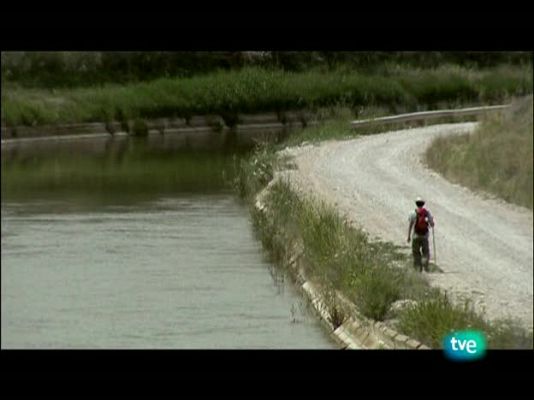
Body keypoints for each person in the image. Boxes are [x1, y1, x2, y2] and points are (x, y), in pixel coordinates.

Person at [407, 197, 435, 272]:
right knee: (425, 251)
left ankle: (417, 268)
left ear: (416, 204)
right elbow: (432, 224)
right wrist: (432, 223)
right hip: (425, 235)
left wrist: (409, 236)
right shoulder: (427, 213)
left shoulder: (413, 213)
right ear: (423, 204)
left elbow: (410, 225)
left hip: (416, 235)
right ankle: (425, 264)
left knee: (416, 252)